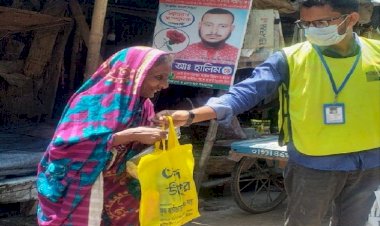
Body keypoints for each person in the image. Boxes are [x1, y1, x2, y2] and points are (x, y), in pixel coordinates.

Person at [155, 1, 380, 226]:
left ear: (351, 19)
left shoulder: (376, 53)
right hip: (313, 164)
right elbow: (247, 91)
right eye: (306, 24)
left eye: (321, 22)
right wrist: (193, 115)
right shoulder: (289, 58)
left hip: (369, 162)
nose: (312, 30)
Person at [36, 46, 173, 226]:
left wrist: (160, 130)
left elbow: (140, 153)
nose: (165, 86)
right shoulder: (91, 103)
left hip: (122, 197)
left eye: (166, 78)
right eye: (158, 77)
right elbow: (64, 149)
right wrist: (127, 135)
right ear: (133, 74)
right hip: (86, 192)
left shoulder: (144, 106)